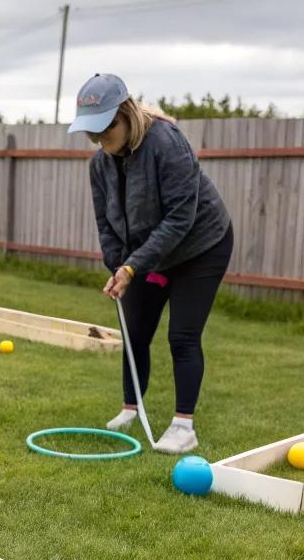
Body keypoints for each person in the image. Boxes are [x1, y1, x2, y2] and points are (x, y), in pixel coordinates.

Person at [70, 73, 233, 454]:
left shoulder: (167, 144)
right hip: (150, 253)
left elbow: (180, 217)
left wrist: (132, 266)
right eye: (92, 136)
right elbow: (106, 223)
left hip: (200, 246)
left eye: (104, 133)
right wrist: (118, 266)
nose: (100, 143)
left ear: (124, 115)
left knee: (182, 335)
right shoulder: (100, 164)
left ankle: (183, 426)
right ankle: (132, 408)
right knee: (135, 330)